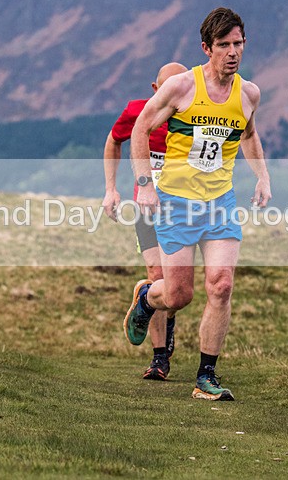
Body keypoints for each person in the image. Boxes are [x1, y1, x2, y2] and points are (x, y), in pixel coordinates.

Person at [125, 8, 272, 401]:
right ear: (207, 48)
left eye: (238, 44)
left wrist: (262, 176)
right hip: (175, 202)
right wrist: (144, 184)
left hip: (220, 204)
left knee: (221, 285)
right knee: (178, 296)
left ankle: (206, 376)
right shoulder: (181, 88)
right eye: (223, 45)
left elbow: (249, 134)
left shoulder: (249, 94)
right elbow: (140, 128)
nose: (232, 52)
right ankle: (146, 297)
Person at [102, 62, 187, 380]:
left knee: (177, 290)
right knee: (157, 273)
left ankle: (148, 299)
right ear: (156, 89)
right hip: (148, 209)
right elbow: (113, 140)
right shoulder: (138, 112)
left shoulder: (192, 120)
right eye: (166, 89)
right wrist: (111, 189)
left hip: (185, 211)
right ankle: (159, 358)